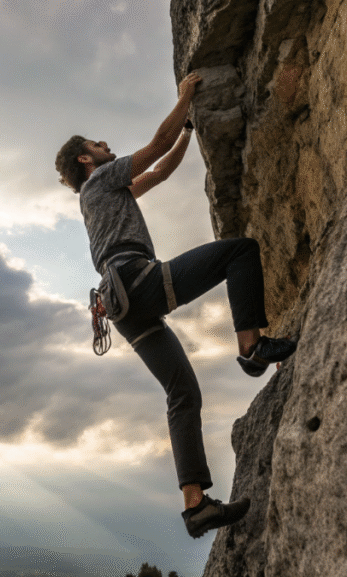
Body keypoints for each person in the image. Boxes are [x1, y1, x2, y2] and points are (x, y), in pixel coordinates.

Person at [54, 71, 297, 539]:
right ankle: (251, 347)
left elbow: (162, 170)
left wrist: (189, 131)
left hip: (121, 305)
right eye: (97, 143)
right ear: (88, 159)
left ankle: (195, 505)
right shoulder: (103, 179)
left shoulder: (105, 196)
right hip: (136, 281)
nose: (106, 143)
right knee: (240, 251)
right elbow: (156, 145)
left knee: (181, 391)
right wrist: (185, 97)